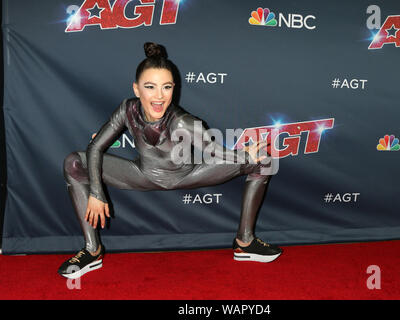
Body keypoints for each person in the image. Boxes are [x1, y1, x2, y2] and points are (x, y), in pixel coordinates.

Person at [58, 42, 282, 279]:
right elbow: (96, 147)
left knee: (264, 162)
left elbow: (214, 150)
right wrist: (96, 192)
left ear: (174, 88)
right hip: (143, 174)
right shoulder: (127, 109)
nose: (159, 96)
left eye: (166, 87)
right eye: (150, 87)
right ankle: (92, 250)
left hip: (187, 175)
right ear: (136, 89)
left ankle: (245, 242)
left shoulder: (183, 121)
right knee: (74, 162)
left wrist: (245, 157)